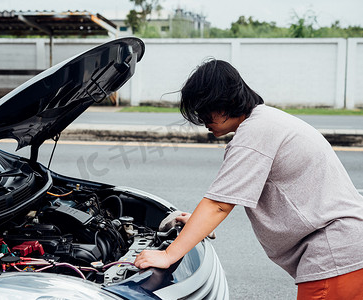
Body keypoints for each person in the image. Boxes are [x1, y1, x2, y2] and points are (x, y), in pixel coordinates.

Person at [133, 59, 363, 299]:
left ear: (229, 102)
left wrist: (169, 255)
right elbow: (231, 196)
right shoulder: (267, 120)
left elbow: (219, 205)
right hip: (349, 247)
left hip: (335, 254)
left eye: (205, 111)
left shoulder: (254, 134)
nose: (203, 121)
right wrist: (196, 225)